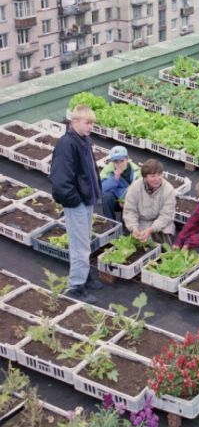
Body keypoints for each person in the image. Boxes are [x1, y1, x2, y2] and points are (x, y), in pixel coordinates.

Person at [49, 104, 104, 302]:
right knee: (79, 244)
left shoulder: (83, 141)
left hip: (85, 199)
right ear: (75, 122)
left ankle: (85, 274)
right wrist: (75, 200)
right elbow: (60, 179)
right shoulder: (67, 144)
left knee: (84, 240)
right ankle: (76, 286)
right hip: (77, 202)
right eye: (87, 123)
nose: (91, 127)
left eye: (92, 123)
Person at [123, 158, 176, 245]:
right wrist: (134, 228)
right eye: (152, 176)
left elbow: (166, 215)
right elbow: (130, 211)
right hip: (142, 221)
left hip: (162, 221)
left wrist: (151, 229)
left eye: (159, 175)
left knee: (166, 241)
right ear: (145, 177)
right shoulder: (135, 187)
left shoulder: (168, 189)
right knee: (140, 243)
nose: (157, 179)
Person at [100, 145, 140, 220]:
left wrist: (125, 200)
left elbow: (138, 191)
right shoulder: (107, 170)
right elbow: (102, 188)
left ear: (127, 159)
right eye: (116, 162)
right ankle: (110, 223)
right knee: (107, 197)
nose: (119, 164)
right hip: (115, 200)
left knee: (126, 222)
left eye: (122, 161)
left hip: (129, 201)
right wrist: (115, 178)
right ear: (112, 161)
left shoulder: (136, 171)